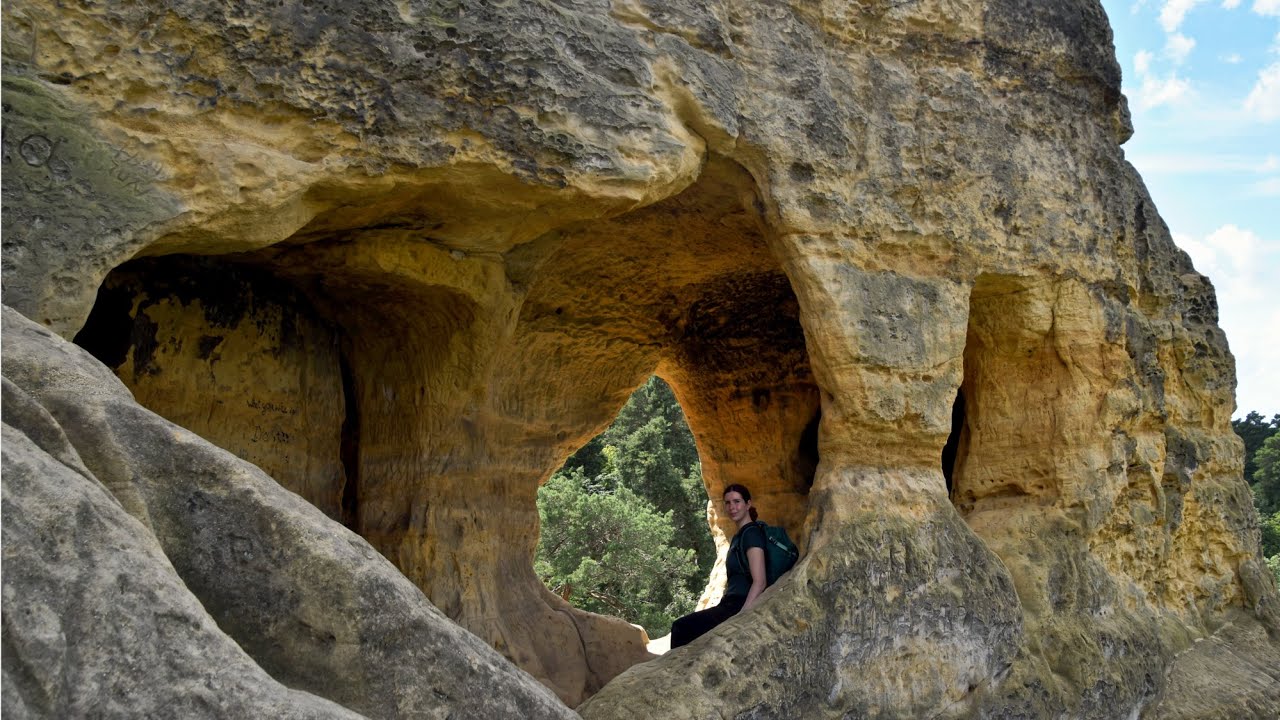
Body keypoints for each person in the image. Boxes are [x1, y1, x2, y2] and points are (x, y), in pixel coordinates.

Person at [669, 483, 767, 648]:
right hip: (729, 604)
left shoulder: (752, 534)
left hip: (738, 605)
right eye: (727, 503)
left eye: (737, 501)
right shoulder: (739, 536)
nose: (732, 507)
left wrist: (742, 616)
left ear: (748, 504)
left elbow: (760, 581)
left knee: (681, 628)